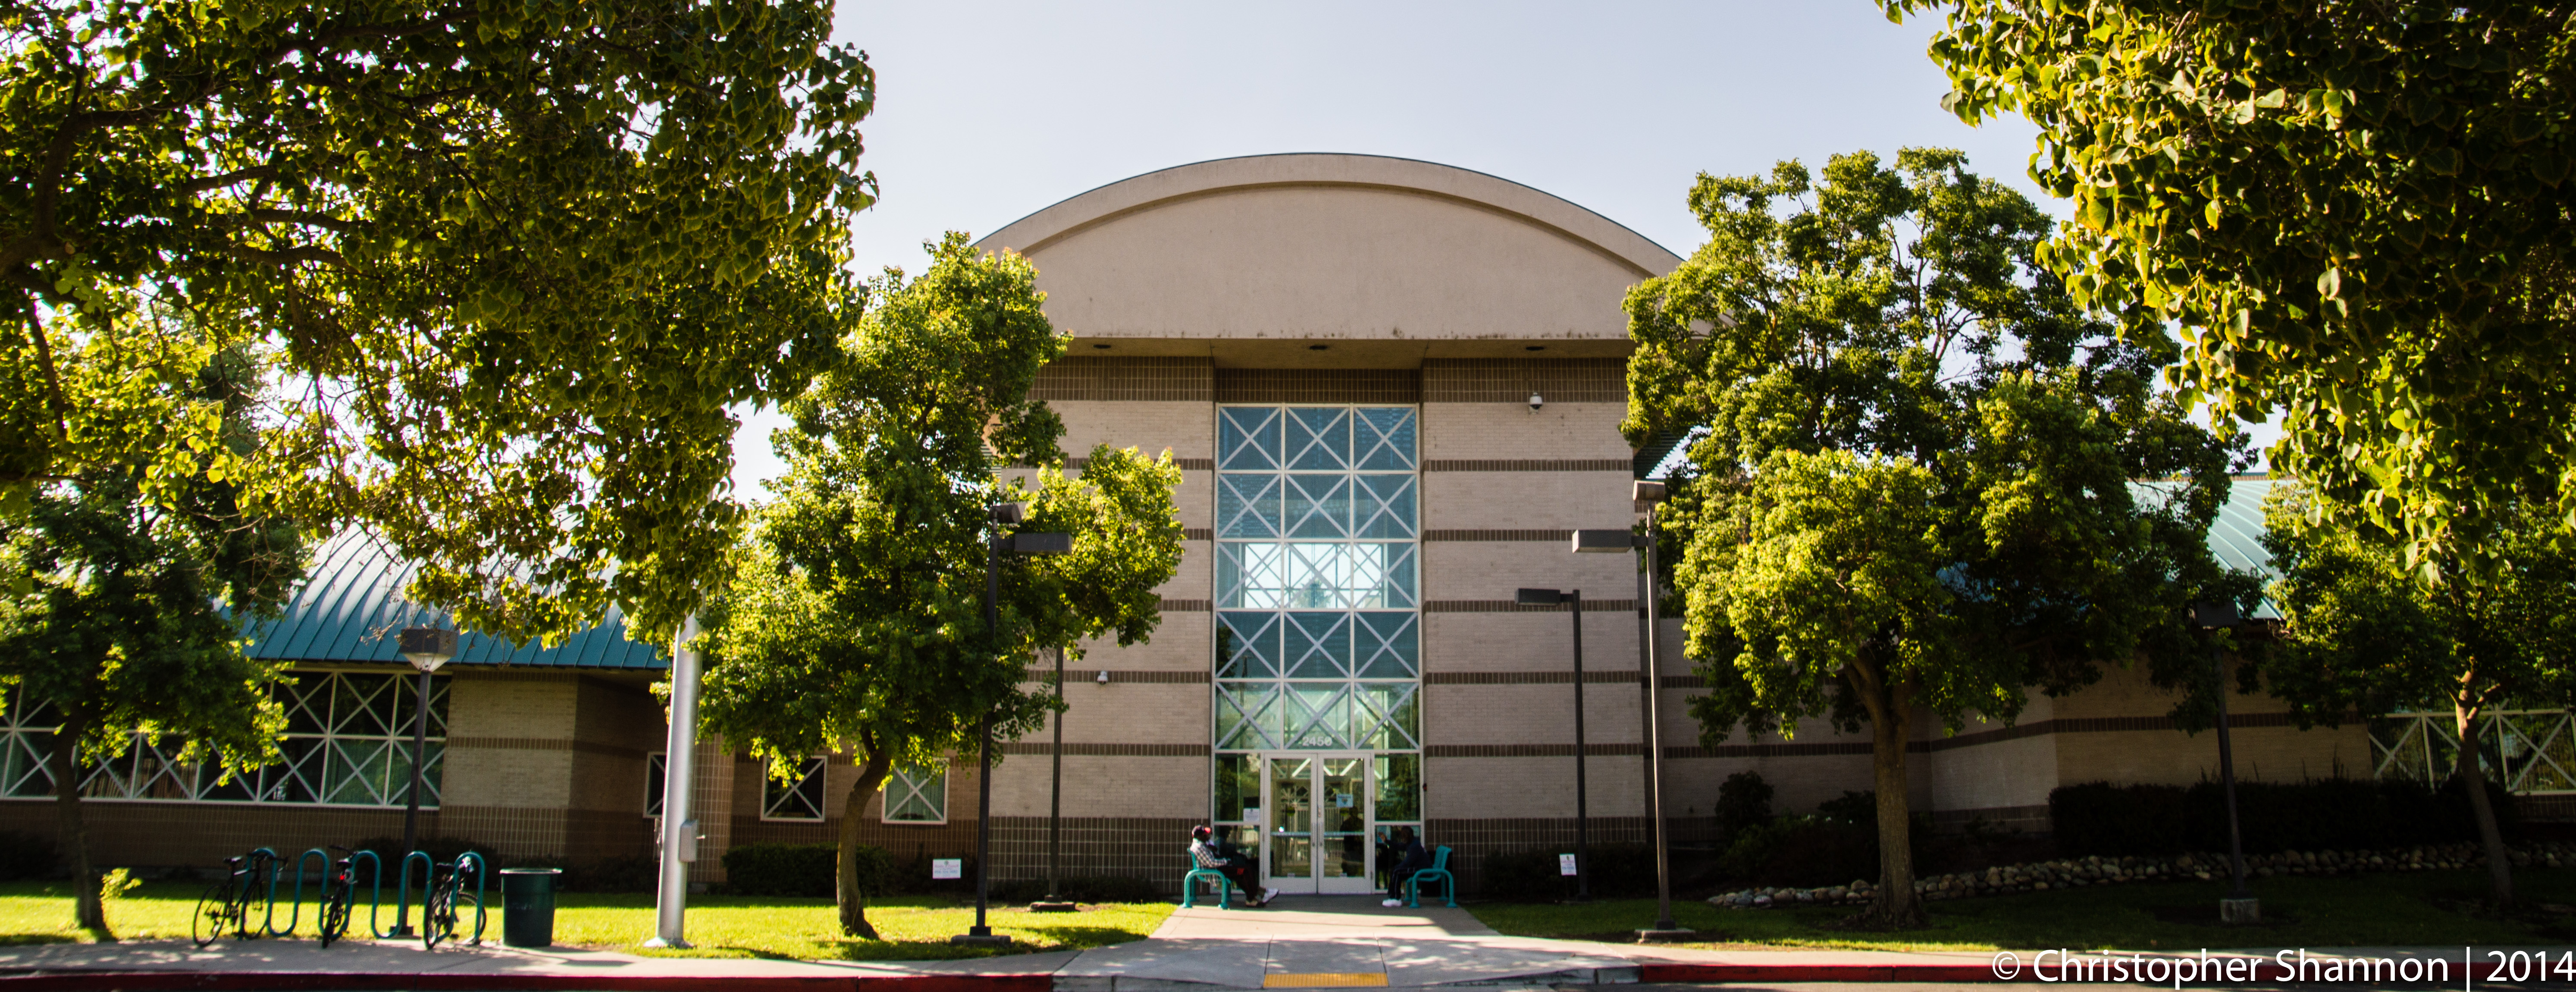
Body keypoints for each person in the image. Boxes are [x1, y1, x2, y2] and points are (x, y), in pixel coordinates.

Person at [1191, 825, 1273, 906]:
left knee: (1242, 873)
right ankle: (1253, 898)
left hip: (1219, 868)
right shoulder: (1199, 847)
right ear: (1200, 836)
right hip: (1216, 871)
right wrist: (1226, 862)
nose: (1207, 836)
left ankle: (1255, 896)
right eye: (1205, 835)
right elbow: (1211, 863)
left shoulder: (1202, 844)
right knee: (1246, 870)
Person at [1380, 826, 1431, 907]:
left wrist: (1395, 868)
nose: (1403, 839)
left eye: (1404, 836)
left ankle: (1396, 899)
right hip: (1418, 867)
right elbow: (1398, 846)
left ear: (1409, 836)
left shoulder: (1414, 846)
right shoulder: (1411, 842)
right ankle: (1392, 897)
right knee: (1396, 871)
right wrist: (1387, 841)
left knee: (1397, 872)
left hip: (1422, 869)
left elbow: (1408, 863)